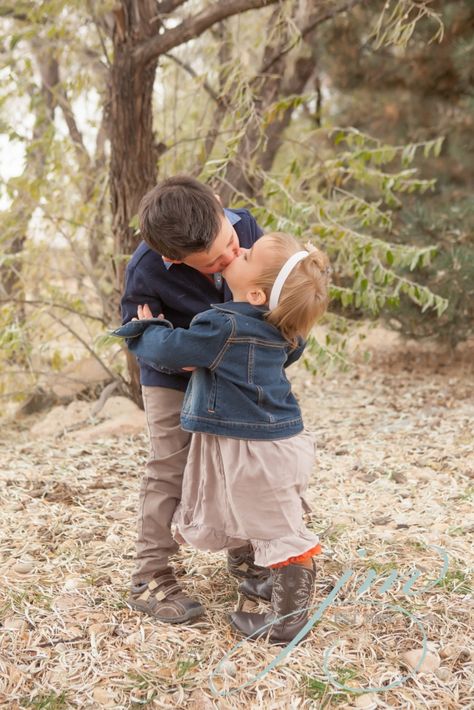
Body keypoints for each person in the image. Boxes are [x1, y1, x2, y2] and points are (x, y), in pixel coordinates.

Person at [114, 232, 330, 645]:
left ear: (253, 293)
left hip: (257, 451)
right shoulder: (282, 328)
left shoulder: (223, 327)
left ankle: (289, 621)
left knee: (279, 527)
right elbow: (290, 351)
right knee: (273, 517)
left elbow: (173, 350)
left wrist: (144, 329)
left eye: (247, 254)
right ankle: (277, 586)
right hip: (284, 442)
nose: (241, 247)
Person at [121, 175, 267, 625]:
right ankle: (151, 573)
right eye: (213, 264)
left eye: (229, 246)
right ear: (173, 258)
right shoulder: (147, 266)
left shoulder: (247, 230)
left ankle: (246, 551)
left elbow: (272, 297)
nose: (231, 259)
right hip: (171, 375)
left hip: (235, 368)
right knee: (170, 465)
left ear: (221, 207)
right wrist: (176, 354)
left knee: (240, 459)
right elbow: (138, 333)